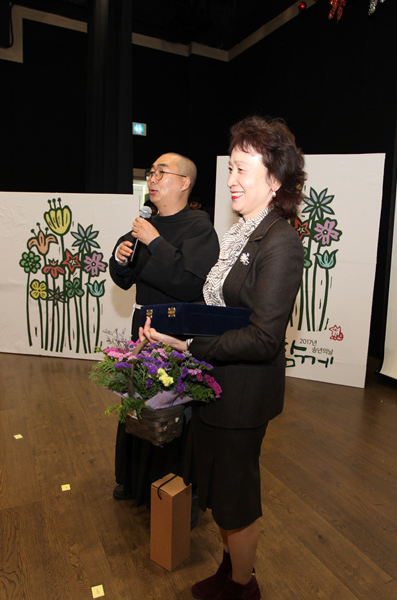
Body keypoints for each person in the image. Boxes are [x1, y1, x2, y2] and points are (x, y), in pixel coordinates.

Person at [140, 116, 305, 600]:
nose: (231, 179)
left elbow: (263, 338)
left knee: (236, 499)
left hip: (243, 396)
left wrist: (188, 346)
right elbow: (218, 308)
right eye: (229, 168)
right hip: (216, 384)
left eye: (242, 169)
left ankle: (243, 587)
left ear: (274, 179)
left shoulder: (280, 242)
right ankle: (229, 571)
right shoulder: (243, 232)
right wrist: (175, 328)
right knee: (217, 488)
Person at [108, 152, 219, 506]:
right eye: (151, 172)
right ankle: (134, 479)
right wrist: (120, 261)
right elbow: (125, 279)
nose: (152, 178)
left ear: (185, 183)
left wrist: (155, 241)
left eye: (162, 172)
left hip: (176, 332)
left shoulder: (200, 227)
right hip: (143, 326)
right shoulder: (144, 224)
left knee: (172, 407)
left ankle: (175, 489)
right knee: (137, 399)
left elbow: (189, 283)